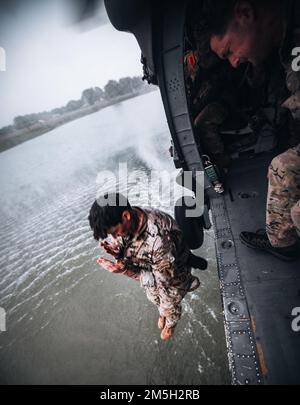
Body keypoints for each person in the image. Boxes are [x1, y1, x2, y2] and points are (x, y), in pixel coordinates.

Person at [199, 0, 300, 261]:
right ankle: (284, 245)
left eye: (229, 50)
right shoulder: (284, 47)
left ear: (245, 13)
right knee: (282, 166)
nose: (233, 62)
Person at [88, 193, 207, 341]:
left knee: (169, 302)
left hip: (172, 273)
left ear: (126, 216)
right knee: (152, 293)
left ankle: (171, 322)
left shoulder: (159, 241)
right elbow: (132, 250)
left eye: (114, 233)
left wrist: (124, 271)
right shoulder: (129, 221)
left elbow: (166, 286)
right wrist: (119, 255)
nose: (114, 238)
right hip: (152, 265)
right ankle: (162, 311)